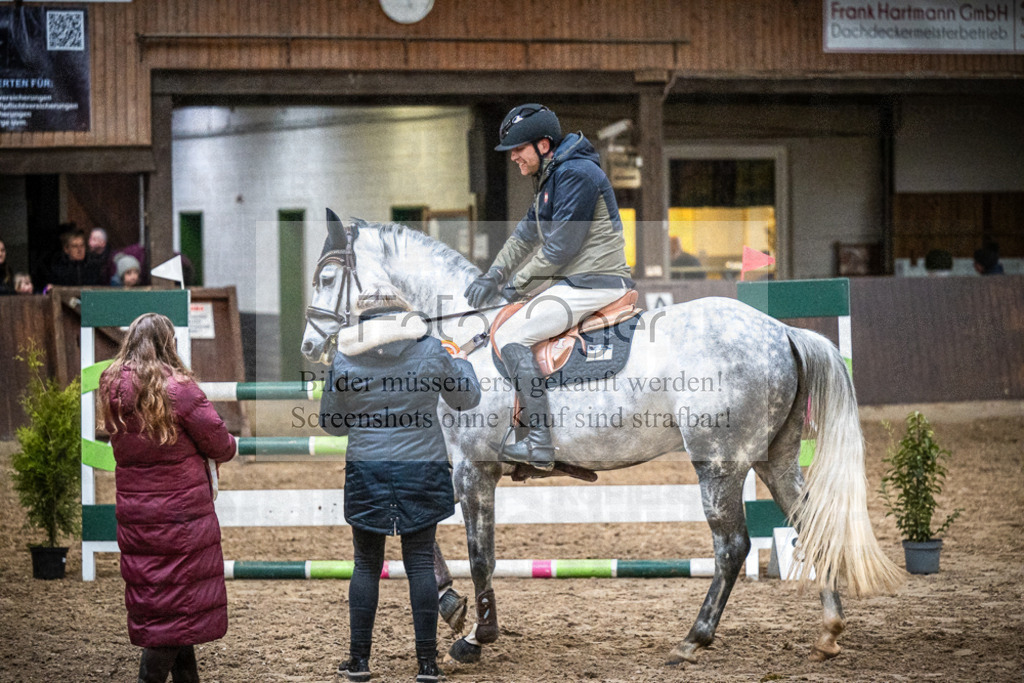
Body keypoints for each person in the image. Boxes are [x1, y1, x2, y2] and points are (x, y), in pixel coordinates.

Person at [319, 284, 480, 683]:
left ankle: (359, 661)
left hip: (367, 470)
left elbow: (331, 424)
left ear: (363, 317)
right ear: (404, 313)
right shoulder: (430, 348)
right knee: (421, 563)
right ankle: (427, 664)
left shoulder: (343, 356)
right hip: (421, 467)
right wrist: (459, 359)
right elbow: (467, 398)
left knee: (365, 564)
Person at [463, 103, 633, 470]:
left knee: (512, 336)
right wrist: (493, 274)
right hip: (576, 280)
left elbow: (560, 247)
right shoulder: (552, 177)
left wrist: (514, 286)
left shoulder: (577, 175)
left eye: (518, 150)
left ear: (543, 145)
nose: (513, 159)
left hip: (594, 282)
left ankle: (538, 441)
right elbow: (524, 235)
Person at [98, 313, 237, 683]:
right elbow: (220, 445)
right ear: (168, 344)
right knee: (176, 613)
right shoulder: (180, 388)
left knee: (170, 610)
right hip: (182, 520)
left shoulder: (111, 386)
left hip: (138, 515)